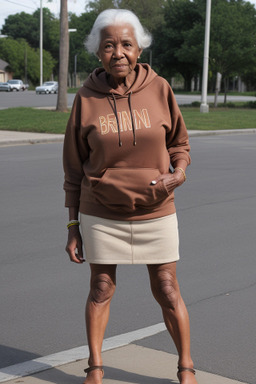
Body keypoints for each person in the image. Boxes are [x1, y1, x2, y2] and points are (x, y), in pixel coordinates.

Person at [63, 8, 198, 384]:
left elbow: (180, 144)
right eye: (109, 45)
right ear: (97, 52)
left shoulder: (160, 88)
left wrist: (179, 174)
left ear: (139, 49)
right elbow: (73, 169)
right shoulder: (86, 98)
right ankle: (95, 367)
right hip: (101, 212)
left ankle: (186, 366)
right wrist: (73, 224)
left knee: (168, 290)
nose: (118, 52)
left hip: (157, 209)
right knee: (101, 288)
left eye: (126, 44)